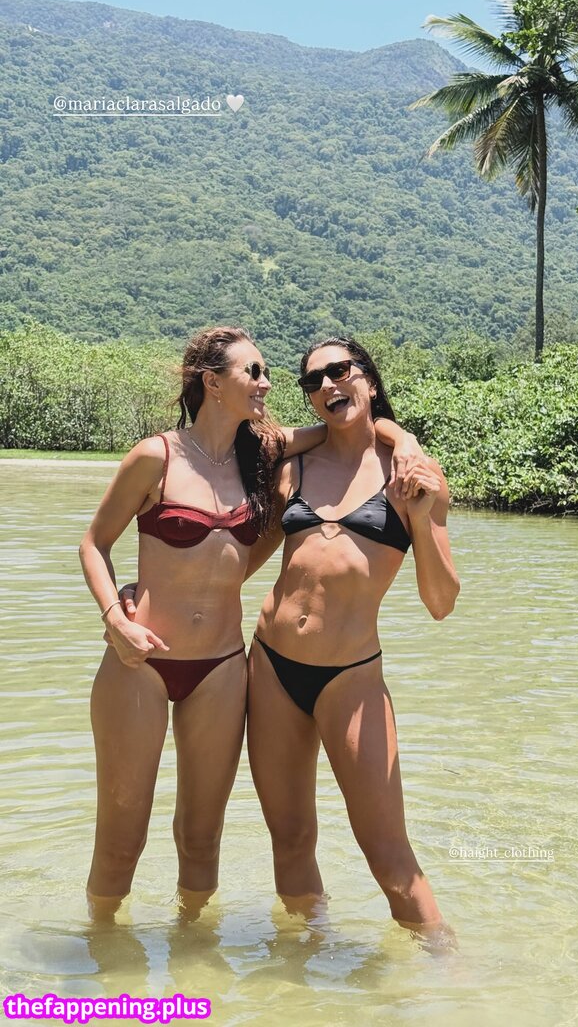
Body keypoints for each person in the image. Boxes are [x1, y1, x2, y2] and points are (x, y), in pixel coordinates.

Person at [79, 326, 423, 920]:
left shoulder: (262, 454)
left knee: (201, 839)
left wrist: (406, 438)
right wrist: (115, 617)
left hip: (221, 667)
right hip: (141, 660)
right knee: (121, 840)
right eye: (254, 372)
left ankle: (194, 948)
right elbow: (93, 543)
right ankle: (102, 954)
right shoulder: (156, 455)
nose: (267, 384)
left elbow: (351, 427)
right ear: (213, 383)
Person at [246, 337, 460, 937]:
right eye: (312, 381)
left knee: (389, 857)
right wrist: (158, 593)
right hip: (271, 666)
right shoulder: (295, 467)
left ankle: (451, 973)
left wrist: (421, 516)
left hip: (351, 678)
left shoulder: (413, 475)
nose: (327, 385)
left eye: (339, 371)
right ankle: (302, 959)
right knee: (290, 839)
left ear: (367, 377)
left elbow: (441, 603)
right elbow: (241, 560)